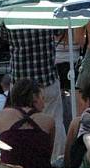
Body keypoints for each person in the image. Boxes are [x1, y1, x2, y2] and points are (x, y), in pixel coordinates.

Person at [4, 29, 66, 159]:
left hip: (19, 83)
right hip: (46, 80)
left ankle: (21, 158)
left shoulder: (10, 12)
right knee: (55, 122)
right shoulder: (47, 11)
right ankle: (57, 160)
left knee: (17, 123)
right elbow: (59, 30)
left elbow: (4, 34)